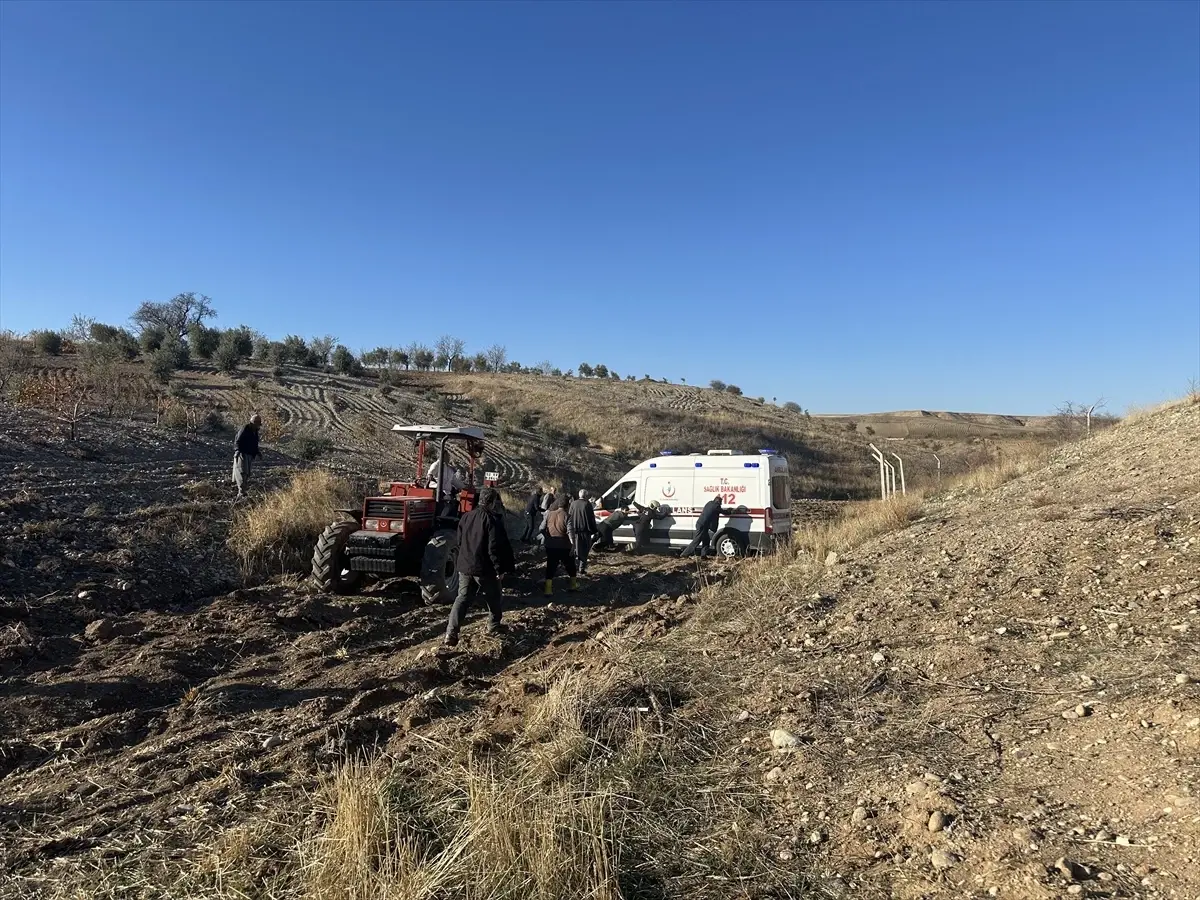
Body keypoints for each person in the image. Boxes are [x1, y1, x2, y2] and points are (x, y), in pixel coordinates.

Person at [444, 488, 515, 647]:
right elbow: (493, 548)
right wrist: (499, 569)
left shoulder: (466, 517)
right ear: (492, 502)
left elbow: (459, 541)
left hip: (465, 566)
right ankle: (494, 626)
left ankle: (451, 632)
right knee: (494, 596)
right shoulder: (492, 520)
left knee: (462, 598)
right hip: (484, 568)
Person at [540, 496, 578, 595]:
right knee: (570, 565)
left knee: (551, 566)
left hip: (551, 546)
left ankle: (548, 590)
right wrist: (573, 545)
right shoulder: (567, 516)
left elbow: (541, 528)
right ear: (567, 505)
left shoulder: (549, 514)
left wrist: (547, 537)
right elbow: (570, 532)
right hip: (565, 546)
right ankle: (573, 585)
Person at [680, 494, 729, 558]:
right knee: (697, 540)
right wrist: (731, 511)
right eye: (720, 502)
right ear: (718, 501)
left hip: (702, 524)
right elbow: (724, 512)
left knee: (706, 540)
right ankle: (684, 554)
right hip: (702, 526)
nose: (721, 504)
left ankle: (703, 555)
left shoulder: (709, 503)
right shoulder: (716, 506)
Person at [568, 489, 598, 575]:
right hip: (585, 531)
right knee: (584, 550)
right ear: (586, 496)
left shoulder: (573, 504)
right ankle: (581, 568)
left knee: (574, 549)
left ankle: (573, 567)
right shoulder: (587, 504)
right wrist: (594, 530)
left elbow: (569, 516)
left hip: (574, 531)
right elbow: (591, 518)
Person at [232, 414, 262, 499]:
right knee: (242, 473)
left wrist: (257, 452)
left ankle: (242, 492)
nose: (258, 426)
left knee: (246, 474)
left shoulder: (255, 431)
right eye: (257, 424)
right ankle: (241, 493)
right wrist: (237, 450)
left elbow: (254, 444)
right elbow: (237, 441)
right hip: (242, 454)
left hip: (249, 455)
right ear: (253, 423)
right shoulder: (245, 428)